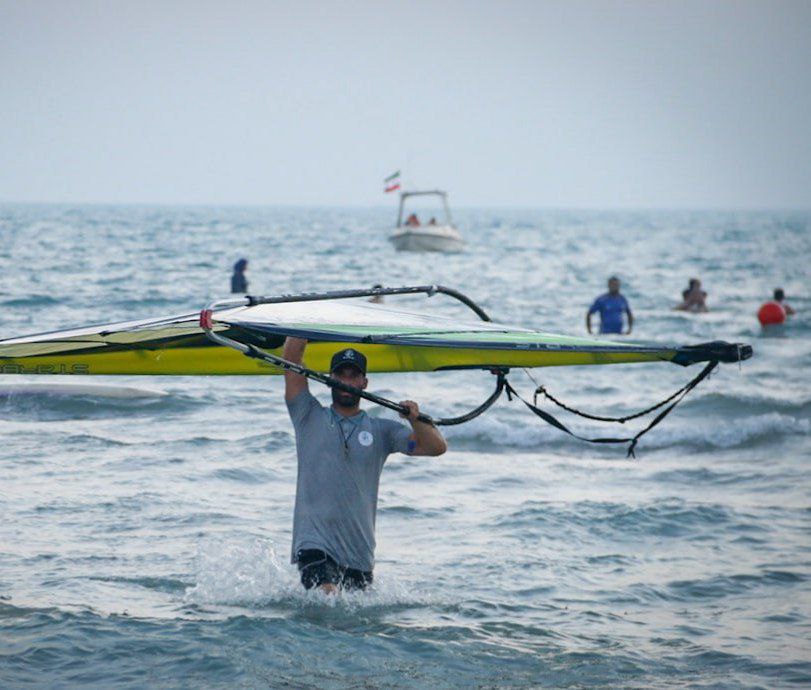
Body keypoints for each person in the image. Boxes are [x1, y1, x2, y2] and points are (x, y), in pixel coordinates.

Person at [283, 337, 447, 593]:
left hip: (359, 554)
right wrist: (303, 324)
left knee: (351, 626)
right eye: (341, 375)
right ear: (330, 379)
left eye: (353, 376)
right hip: (313, 543)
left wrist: (415, 420)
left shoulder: (383, 431)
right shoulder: (307, 414)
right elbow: (291, 360)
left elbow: (436, 447)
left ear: (364, 383)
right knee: (327, 597)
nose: (347, 382)